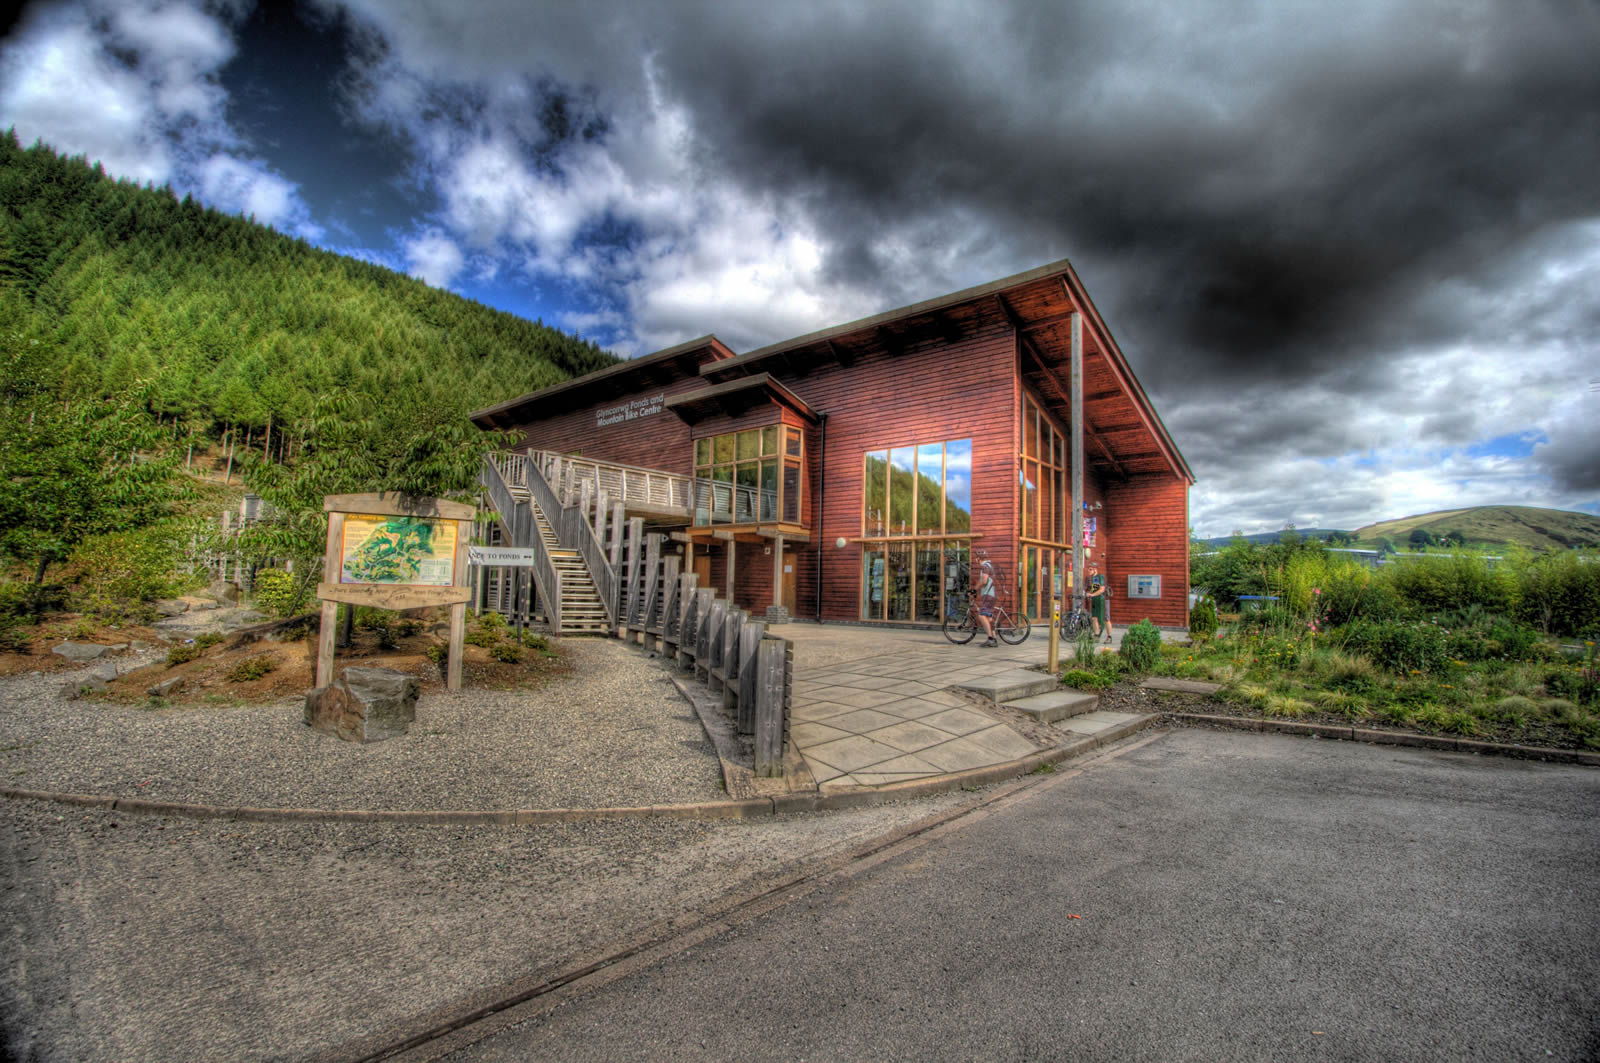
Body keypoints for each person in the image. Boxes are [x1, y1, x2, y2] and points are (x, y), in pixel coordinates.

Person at [974, 557, 999, 647]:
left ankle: (990, 639)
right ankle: (994, 639)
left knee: (981, 615)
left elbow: (984, 581)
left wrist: (974, 589)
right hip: (991, 594)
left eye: (976, 558)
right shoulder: (989, 565)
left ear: (978, 558)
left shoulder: (985, 566)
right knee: (989, 618)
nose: (975, 560)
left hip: (988, 595)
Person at [1086, 563, 1111, 643]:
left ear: (1095, 570)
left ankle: (1109, 637)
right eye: (1088, 569)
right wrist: (1089, 593)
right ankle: (1096, 636)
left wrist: (1092, 594)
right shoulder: (1093, 578)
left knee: (1106, 618)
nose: (1088, 571)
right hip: (1096, 600)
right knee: (1094, 618)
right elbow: (1095, 590)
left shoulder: (1100, 577)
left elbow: (1102, 589)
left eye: (1090, 569)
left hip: (1103, 600)